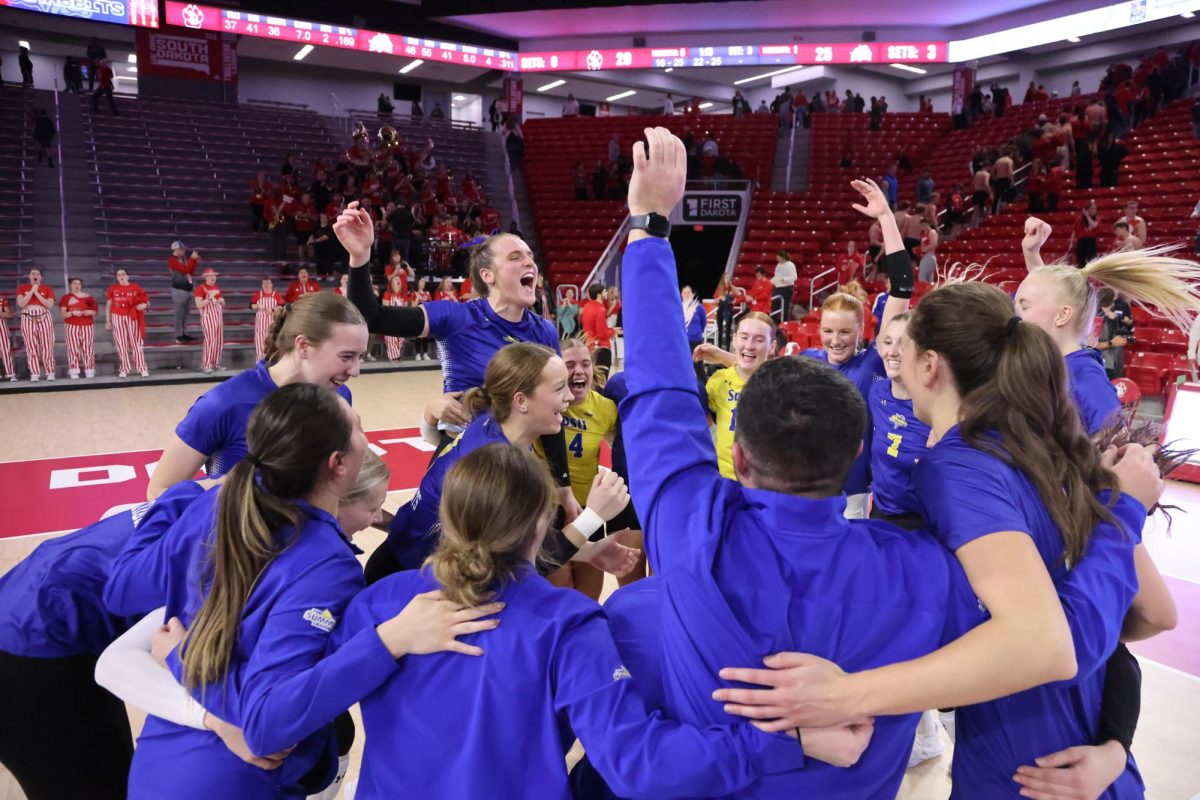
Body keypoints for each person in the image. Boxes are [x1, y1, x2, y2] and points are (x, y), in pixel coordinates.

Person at [592, 127, 973, 797]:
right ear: (856, 450)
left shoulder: (689, 522)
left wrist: (650, 228)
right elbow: (1057, 629)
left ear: (736, 452)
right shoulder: (928, 572)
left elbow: (658, 383)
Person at [715, 276, 1172, 796]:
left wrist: (850, 695)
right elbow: (1154, 615)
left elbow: (1049, 646)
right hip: (1088, 762)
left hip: (1026, 771)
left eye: (903, 346)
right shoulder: (1044, 448)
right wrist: (1115, 743)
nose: (893, 355)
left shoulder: (956, 466)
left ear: (930, 365)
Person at [333, 444, 811, 798]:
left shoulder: (376, 604)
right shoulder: (568, 623)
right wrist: (776, 742)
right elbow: (636, 762)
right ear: (542, 523)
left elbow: (294, 712)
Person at [106, 385, 500, 800]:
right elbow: (266, 726)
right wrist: (391, 640)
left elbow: (123, 589)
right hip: (233, 780)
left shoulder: (223, 503)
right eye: (358, 428)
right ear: (338, 464)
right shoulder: (324, 564)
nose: (366, 435)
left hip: (163, 762)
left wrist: (172, 504)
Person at [336, 203, 579, 517]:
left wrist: (563, 487)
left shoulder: (544, 331)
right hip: (460, 463)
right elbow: (371, 317)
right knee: (414, 546)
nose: (529, 262)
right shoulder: (458, 316)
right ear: (487, 275)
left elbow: (554, 412)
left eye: (530, 256)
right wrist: (360, 258)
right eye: (515, 257)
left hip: (517, 466)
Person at [0, 481, 208, 800]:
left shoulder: (209, 492)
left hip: (39, 605)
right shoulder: (240, 543)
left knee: (115, 775)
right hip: (28, 649)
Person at [381, 342, 637, 582]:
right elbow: (518, 564)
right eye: (559, 388)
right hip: (408, 581)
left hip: (406, 563)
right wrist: (594, 516)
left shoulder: (497, 426)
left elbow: (524, 545)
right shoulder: (497, 467)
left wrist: (587, 550)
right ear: (521, 401)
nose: (570, 397)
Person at [146, 293, 367, 499]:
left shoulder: (339, 397)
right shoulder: (224, 404)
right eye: (346, 356)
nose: (355, 371)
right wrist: (236, 488)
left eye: (360, 357)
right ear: (303, 346)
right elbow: (158, 493)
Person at [1020, 216, 1200, 433]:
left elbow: (1117, 451)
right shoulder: (1057, 356)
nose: (1015, 314)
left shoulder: (1086, 379)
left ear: (1063, 315)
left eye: (1023, 305)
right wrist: (1031, 254)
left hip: (1114, 357)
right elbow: (1046, 301)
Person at [800, 180, 913, 517]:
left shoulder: (873, 360)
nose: (835, 340)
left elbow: (903, 287)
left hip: (852, 495)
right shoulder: (807, 362)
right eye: (828, 331)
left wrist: (886, 219)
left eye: (845, 332)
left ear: (862, 331)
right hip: (805, 488)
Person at [541, 339, 622, 600]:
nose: (579, 371)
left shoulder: (605, 409)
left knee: (587, 601)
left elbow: (617, 444)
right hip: (550, 512)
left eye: (585, 364)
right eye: (570, 365)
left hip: (590, 510)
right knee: (560, 598)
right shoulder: (543, 404)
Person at [696, 312, 776, 480]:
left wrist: (721, 355)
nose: (749, 345)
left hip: (765, 481)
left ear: (772, 346)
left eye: (759, 340)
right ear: (734, 339)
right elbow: (700, 413)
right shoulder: (720, 380)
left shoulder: (778, 382)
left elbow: (758, 377)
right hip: (724, 478)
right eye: (744, 337)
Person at [16, 267, 56, 382]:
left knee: (47, 345)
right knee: (31, 346)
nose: (35, 275)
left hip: (44, 315)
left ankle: (50, 371)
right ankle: (34, 373)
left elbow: (49, 305)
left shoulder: (47, 289)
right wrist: (32, 291)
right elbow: (21, 303)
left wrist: (37, 293)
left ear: (41, 277)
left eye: (38, 274)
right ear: (29, 276)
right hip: (27, 316)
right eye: (33, 273)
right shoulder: (22, 288)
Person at [59, 277, 97, 379]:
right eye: (74, 283)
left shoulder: (88, 298)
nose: (77, 285)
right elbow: (63, 314)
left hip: (87, 325)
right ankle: (73, 370)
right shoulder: (66, 298)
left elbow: (95, 311)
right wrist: (72, 313)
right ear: (70, 285)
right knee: (72, 348)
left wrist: (89, 312)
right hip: (71, 325)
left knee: (88, 348)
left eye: (79, 283)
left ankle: (89, 370)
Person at [194, 269, 225, 374]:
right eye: (210, 275)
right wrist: (209, 298)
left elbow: (222, 303)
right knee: (210, 340)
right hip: (208, 317)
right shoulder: (200, 289)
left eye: (214, 275)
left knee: (219, 341)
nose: (213, 277)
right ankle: (206, 365)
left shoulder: (217, 288)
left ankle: (215, 363)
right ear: (205, 277)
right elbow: (199, 305)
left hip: (218, 317)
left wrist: (221, 301)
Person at [581, 283, 618, 373]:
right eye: (604, 292)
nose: (606, 294)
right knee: (601, 381)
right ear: (599, 294)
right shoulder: (600, 309)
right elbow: (602, 333)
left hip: (590, 347)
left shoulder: (587, 306)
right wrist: (613, 330)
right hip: (601, 348)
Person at [168, 241, 198, 343]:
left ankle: (184, 333)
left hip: (187, 289)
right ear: (176, 249)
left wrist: (193, 261)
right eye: (182, 249)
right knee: (179, 314)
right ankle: (178, 336)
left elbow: (190, 271)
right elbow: (184, 270)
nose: (184, 251)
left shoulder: (183, 259)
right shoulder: (172, 260)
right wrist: (192, 260)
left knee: (186, 314)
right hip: (179, 290)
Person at [381, 274, 408, 361]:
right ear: (391, 283)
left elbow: (406, 309)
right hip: (390, 321)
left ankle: (396, 357)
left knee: (400, 340)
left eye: (399, 279)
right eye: (395, 279)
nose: (398, 280)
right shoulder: (387, 294)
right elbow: (385, 309)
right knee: (391, 340)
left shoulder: (403, 295)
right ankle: (394, 359)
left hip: (401, 321)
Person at [770, 250, 796, 323]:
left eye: (778, 257)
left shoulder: (790, 265)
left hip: (786, 288)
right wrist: (771, 282)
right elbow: (776, 276)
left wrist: (784, 279)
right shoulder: (778, 265)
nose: (777, 259)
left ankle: (784, 322)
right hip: (777, 287)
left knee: (785, 306)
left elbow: (794, 277)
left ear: (783, 257)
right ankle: (773, 321)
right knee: (774, 304)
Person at [1077, 198, 1101, 266]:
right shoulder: (1079, 219)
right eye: (1092, 208)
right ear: (1087, 210)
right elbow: (1074, 232)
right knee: (1080, 263)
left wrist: (1087, 216)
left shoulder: (1098, 218)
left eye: (1095, 209)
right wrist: (1071, 244)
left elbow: (1094, 225)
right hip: (1081, 242)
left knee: (1092, 262)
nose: (1094, 210)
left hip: (1091, 242)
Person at [917, 218, 939, 283]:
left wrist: (924, 249)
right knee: (928, 278)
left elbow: (934, 244)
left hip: (929, 256)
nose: (923, 227)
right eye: (921, 225)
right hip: (925, 256)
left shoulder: (932, 232)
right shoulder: (923, 234)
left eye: (924, 225)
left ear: (929, 224)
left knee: (922, 277)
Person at [0, 295, 14, 381]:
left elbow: (9, 315)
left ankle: (10, 374)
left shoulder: (1, 299)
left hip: (1, 326)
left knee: (6, 351)